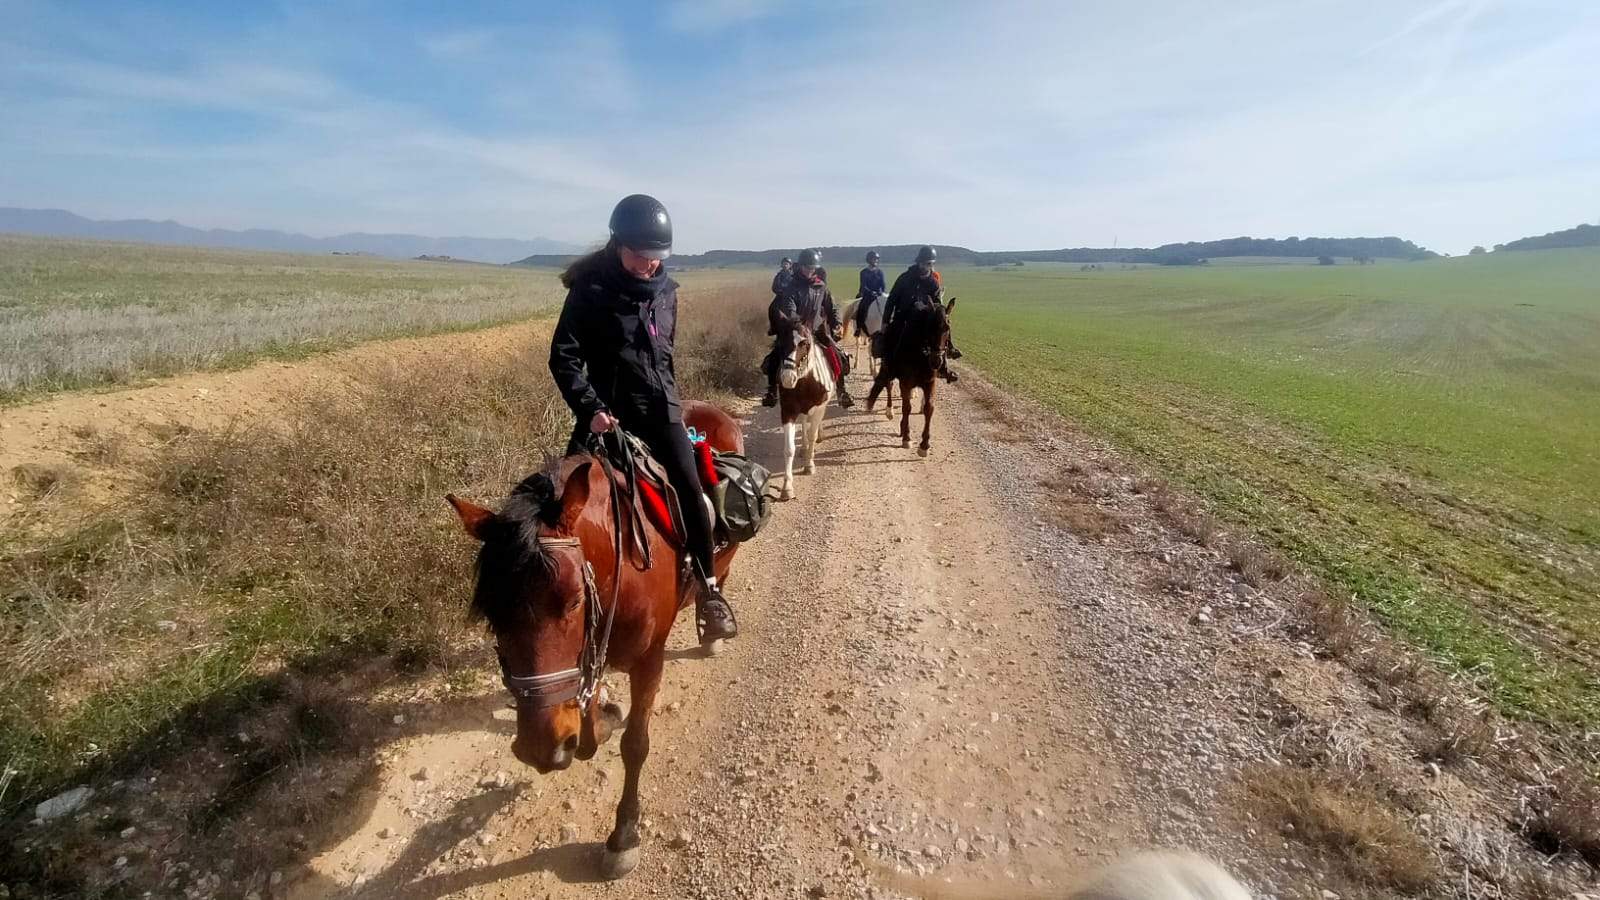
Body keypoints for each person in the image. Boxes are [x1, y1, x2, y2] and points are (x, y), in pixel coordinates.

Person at [548, 194, 737, 641]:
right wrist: (591, 408)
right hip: (605, 418)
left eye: (656, 257)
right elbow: (564, 357)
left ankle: (709, 589)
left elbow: (663, 358)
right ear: (618, 243)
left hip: (661, 412)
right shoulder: (590, 290)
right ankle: (556, 606)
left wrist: (670, 406)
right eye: (640, 255)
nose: (649, 264)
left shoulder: (667, 292)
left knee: (693, 492)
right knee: (560, 508)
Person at [761, 248, 853, 408]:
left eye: (812, 268)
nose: (809, 271)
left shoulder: (821, 286)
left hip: (816, 330)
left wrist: (836, 322)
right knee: (776, 354)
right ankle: (771, 391)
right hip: (796, 331)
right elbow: (789, 309)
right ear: (800, 266)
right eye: (806, 267)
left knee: (836, 354)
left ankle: (842, 390)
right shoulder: (792, 287)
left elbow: (831, 307)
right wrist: (798, 326)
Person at [882, 245, 960, 382]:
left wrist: (936, 312)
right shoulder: (904, 278)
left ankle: (944, 367)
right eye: (924, 263)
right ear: (918, 262)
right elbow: (892, 300)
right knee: (891, 337)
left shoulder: (933, 283)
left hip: (924, 321)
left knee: (942, 328)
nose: (926, 266)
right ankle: (888, 367)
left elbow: (937, 305)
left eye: (929, 264)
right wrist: (885, 321)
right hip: (903, 318)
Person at [854, 250, 886, 335]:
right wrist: (871, 292)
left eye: (877, 259)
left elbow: (883, 285)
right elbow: (863, 285)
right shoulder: (864, 272)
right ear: (869, 260)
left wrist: (881, 292)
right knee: (862, 307)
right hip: (868, 295)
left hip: (878, 294)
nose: (876, 260)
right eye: (874, 259)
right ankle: (858, 327)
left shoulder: (880, 272)